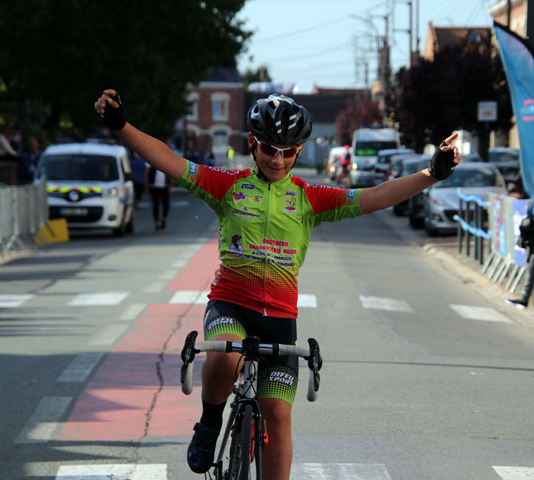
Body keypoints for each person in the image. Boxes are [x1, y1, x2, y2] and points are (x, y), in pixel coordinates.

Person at [94, 89, 461, 479]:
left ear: (299, 151)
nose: (278, 158)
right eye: (270, 148)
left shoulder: (310, 198)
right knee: (225, 355)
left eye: (288, 151)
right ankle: (209, 423)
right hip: (231, 305)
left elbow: (375, 196)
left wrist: (432, 173)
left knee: (279, 416)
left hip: (280, 319)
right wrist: (121, 126)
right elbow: (169, 161)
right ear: (253, 143)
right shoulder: (227, 185)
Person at [144, 160, 173, 231]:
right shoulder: (150, 161)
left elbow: (170, 173)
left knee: (166, 204)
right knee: (156, 204)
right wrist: (146, 186)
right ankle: (157, 222)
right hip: (154, 187)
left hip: (164, 186)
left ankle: (164, 218)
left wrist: (171, 187)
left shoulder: (165, 161)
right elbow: (146, 174)